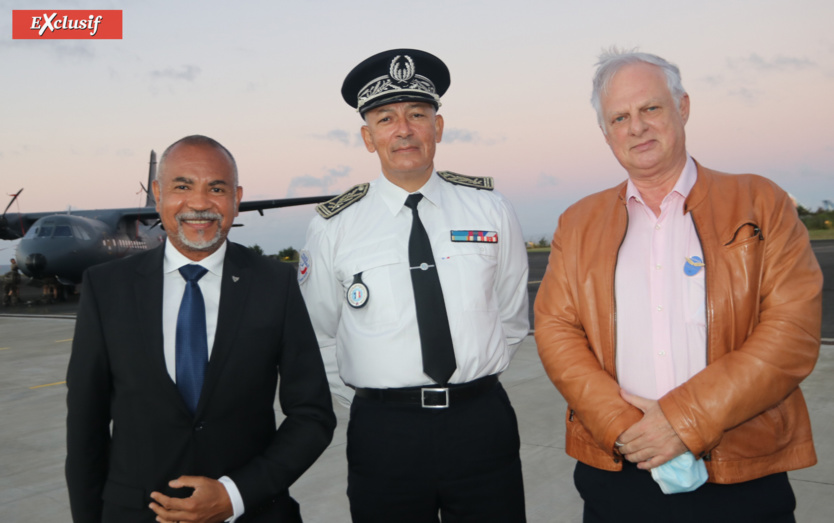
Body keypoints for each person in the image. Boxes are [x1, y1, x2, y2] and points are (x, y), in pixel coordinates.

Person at [534, 48, 822, 522]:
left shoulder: (760, 202)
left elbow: (793, 334)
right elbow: (555, 331)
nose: (637, 127)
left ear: (682, 107)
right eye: (619, 117)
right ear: (606, 133)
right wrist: (624, 428)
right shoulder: (578, 223)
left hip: (740, 469)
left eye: (650, 108)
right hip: (620, 469)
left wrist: (683, 421)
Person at [299, 49, 529, 522]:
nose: (403, 130)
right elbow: (320, 333)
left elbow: (510, 316)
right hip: (385, 434)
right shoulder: (334, 226)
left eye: (417, 114)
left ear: (438, 129)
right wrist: (377, 394)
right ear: (368, 138)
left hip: (481, 422)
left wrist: (472, 378)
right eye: (386, 118)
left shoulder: (490, 209)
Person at [65, 135, 336, 523]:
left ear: (236, 197)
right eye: (182, 186)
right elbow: (85, 428)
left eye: (217, 188)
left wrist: (235, 495)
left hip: (253, 513)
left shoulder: (275, 284)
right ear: (157, 194)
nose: (199, 203)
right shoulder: (107, 288)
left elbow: (312, 416)